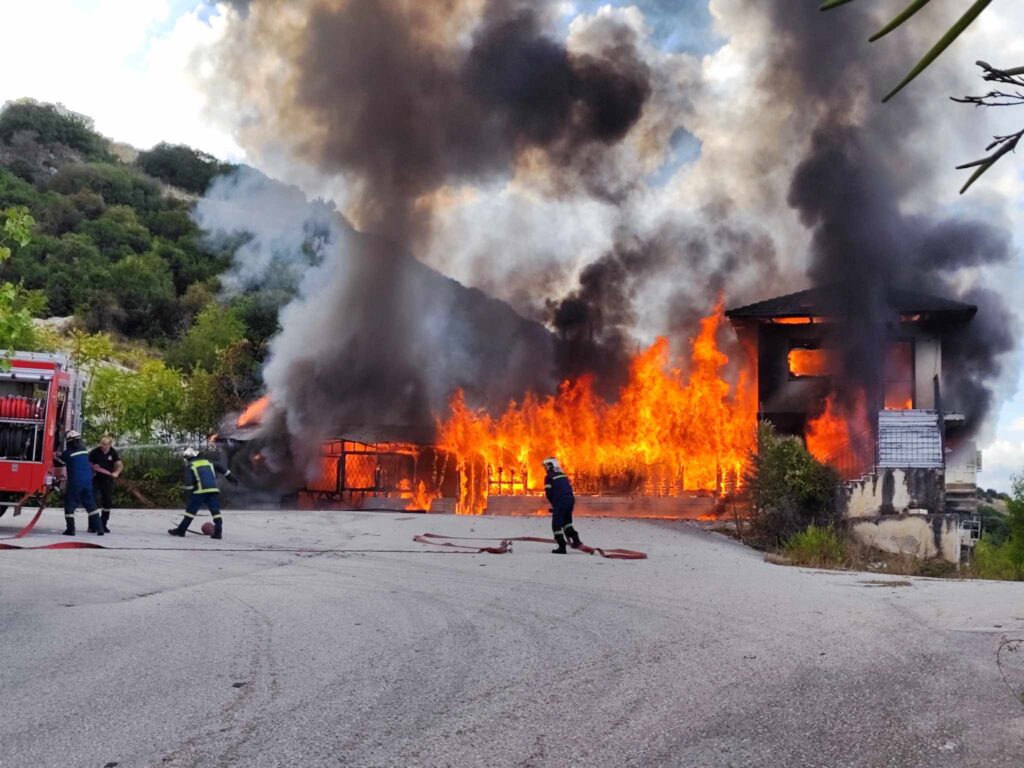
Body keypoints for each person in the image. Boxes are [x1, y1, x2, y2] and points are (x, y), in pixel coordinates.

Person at [168, 448, 237, 540]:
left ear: (189, 457)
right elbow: (221, 467)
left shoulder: (190, 465)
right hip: (213, 490)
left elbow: (189, 482)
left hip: (200, 491)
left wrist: (187, 493)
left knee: (190, 512)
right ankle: (218, 532)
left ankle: (181, 530)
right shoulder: (209, 462)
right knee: (215, 512)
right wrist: (230, 477)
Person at [55, 430, 103, 536]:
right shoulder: (84, 451)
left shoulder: (68, 453)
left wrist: (56, 455)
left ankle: (70, 529)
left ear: (69, 442)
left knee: (69, 505)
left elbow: (60, 458)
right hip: (87, 482)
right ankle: (100, 529)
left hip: (75, 483)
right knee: (91, 506)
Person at [543, 457, 582, 554]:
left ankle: (562, 547)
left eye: (546, 466)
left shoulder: (549, 477)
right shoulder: (563, 475)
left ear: (551, 465)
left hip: (560, 502)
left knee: (556, 525)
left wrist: (555, 505)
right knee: (567, 523)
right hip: (570, 501)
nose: (545, 468)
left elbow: (548, 493)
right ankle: (576, 540)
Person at [89, 435, 123, 533]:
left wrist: (116, 473)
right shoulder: (94, 452)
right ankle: (92, 525)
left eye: (105, 444)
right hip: (96, 478)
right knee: (93, 500)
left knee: (107, 501)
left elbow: (120, 464)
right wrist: (93, 467)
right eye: (101, 443)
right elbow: (88, 464)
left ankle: (103, 524)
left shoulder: (113, 452)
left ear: (110, 445)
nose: (102, 446)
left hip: (107, 479)